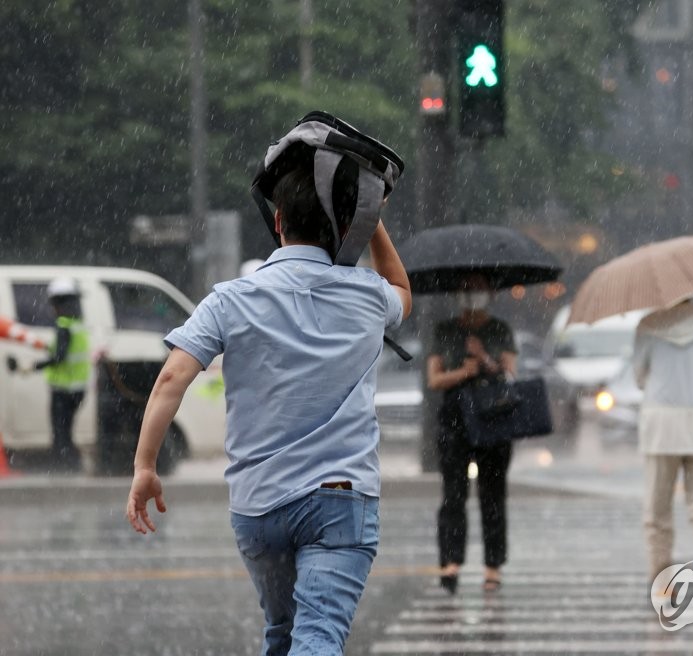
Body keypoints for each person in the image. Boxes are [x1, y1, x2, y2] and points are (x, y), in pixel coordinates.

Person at [125, 115, 412, 654]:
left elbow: (171, 379)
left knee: (282, 634)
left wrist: (145, 467)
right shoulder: (368, 296)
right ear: (344, 227)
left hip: (259, 505)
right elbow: (402, 286)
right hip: (338, 500)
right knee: (317, 638)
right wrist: (368, 216)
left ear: (277, 222)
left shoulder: (230, 299)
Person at [632, 297, 693, 608]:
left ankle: (662, 581)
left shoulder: (648, 324)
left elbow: (638, 377)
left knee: (657, 509)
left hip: (662, 425)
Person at [426, 273, 518, 594]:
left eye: (478, 288)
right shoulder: (445, 329)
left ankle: (493, 566)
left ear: (490, 292)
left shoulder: (500, 329)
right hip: (455, 419)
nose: (471, 295)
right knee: (454, 493)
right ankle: (451, 562)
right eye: (466, 288)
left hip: (493, 418)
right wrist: (463, 372)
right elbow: (435, 379)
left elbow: (510, 373)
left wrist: (483, 358)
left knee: (493, 495)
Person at [34, 278, 91, 472]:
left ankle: (64, 467)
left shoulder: (64, 325)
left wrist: (38, 365)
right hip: (78, 390)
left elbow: (59, 356)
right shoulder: (79, 325)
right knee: (66, 430)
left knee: (60, 432)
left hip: (63, 391)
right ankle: (71, 464)